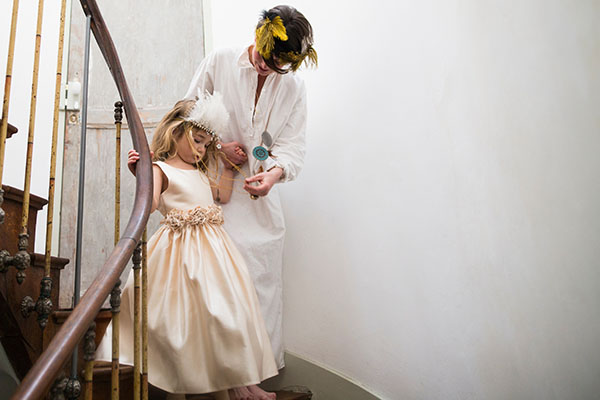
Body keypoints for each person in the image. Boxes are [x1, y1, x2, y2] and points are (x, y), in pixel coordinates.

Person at [96, 93, 278, 400]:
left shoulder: (202, 171)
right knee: (198, 316)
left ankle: (243, 380)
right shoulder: (160, 169)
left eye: (206, 144)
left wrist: (230, 170)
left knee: (230, 311)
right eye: (196, 140)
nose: (201, 149)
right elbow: (151, 205)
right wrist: (141, 175)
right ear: (175, 132)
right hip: (180, 253)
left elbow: (221, 195)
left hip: (215, 252)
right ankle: (230, 384)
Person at [184, 5, 317, 368]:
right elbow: (187, 114)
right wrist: (217, 145)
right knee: (216, 281)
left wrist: (274, 174)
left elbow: (292, 146)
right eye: (264, 56)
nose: (265, 66)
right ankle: (220, 376)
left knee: (261, 283)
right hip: (213, 191)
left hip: (259, 199)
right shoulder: (220, 61)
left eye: (278, 64)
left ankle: (253, 373)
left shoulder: (294, 88)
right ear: (259, 35)